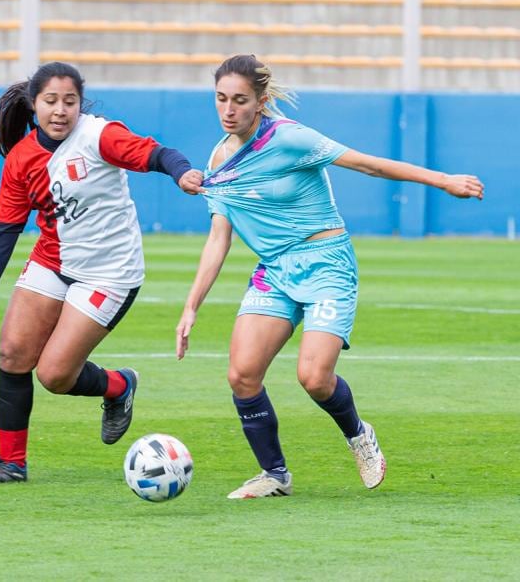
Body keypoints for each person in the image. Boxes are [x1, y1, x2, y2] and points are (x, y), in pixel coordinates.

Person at [176, 53, 485, 499]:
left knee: (314, 378)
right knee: (242, 374)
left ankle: (358, 433)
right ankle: (275, 475)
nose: (228, 110)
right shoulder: (220, 159)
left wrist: (443, 180)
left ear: (260, 102)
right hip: (275, 272)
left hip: (326, 264)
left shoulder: (290, 138)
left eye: (240, 100)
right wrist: (191, 306)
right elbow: (218, 239)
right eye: (221, 99)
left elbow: (369, 164)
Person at [0, 61, 202, 484]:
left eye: (69, 101)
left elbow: (158, 153)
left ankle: (119, 387)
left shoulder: (99, 136)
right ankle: (10, 463)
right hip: (53, 261)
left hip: (110, 272)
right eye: (50, 101)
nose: (60, 110)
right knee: (13, 352)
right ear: (34, 105)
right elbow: (3, 235)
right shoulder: (21, 159)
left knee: (54, 375)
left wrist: (182, 173)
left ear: (80, 104)